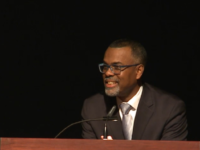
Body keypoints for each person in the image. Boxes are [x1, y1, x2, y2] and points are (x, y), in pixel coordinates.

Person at [81, 39, 188, 140]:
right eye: (105, 66)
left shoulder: (169, 109)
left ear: (138, 71)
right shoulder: (92, 108)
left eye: (117, 67)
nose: (108, 73)